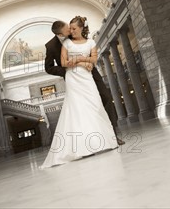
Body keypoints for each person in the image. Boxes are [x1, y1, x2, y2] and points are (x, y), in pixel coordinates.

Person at [41, 16, 121, 168]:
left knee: (105, 97)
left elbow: (88, 49)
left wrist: (88, 61)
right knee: (80, 109)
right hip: (73, 76)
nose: (71, 31)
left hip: (91, 73)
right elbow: (49, 67)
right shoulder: (51, 46)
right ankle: (86, 142)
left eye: (71, 28)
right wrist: (66, 70)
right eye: (67, 30)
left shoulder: (76, 33)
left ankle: (113, 134)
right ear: (60, 34)